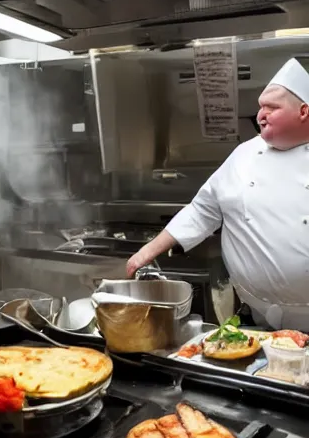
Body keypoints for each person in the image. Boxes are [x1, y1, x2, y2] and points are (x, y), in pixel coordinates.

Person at [127, 57, 309, 330]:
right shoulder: (243, 155)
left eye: (272, 107)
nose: (261, 115)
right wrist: (147, 252)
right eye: (261, 107)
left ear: (304, 112)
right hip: (257, 316)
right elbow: (203, 210)